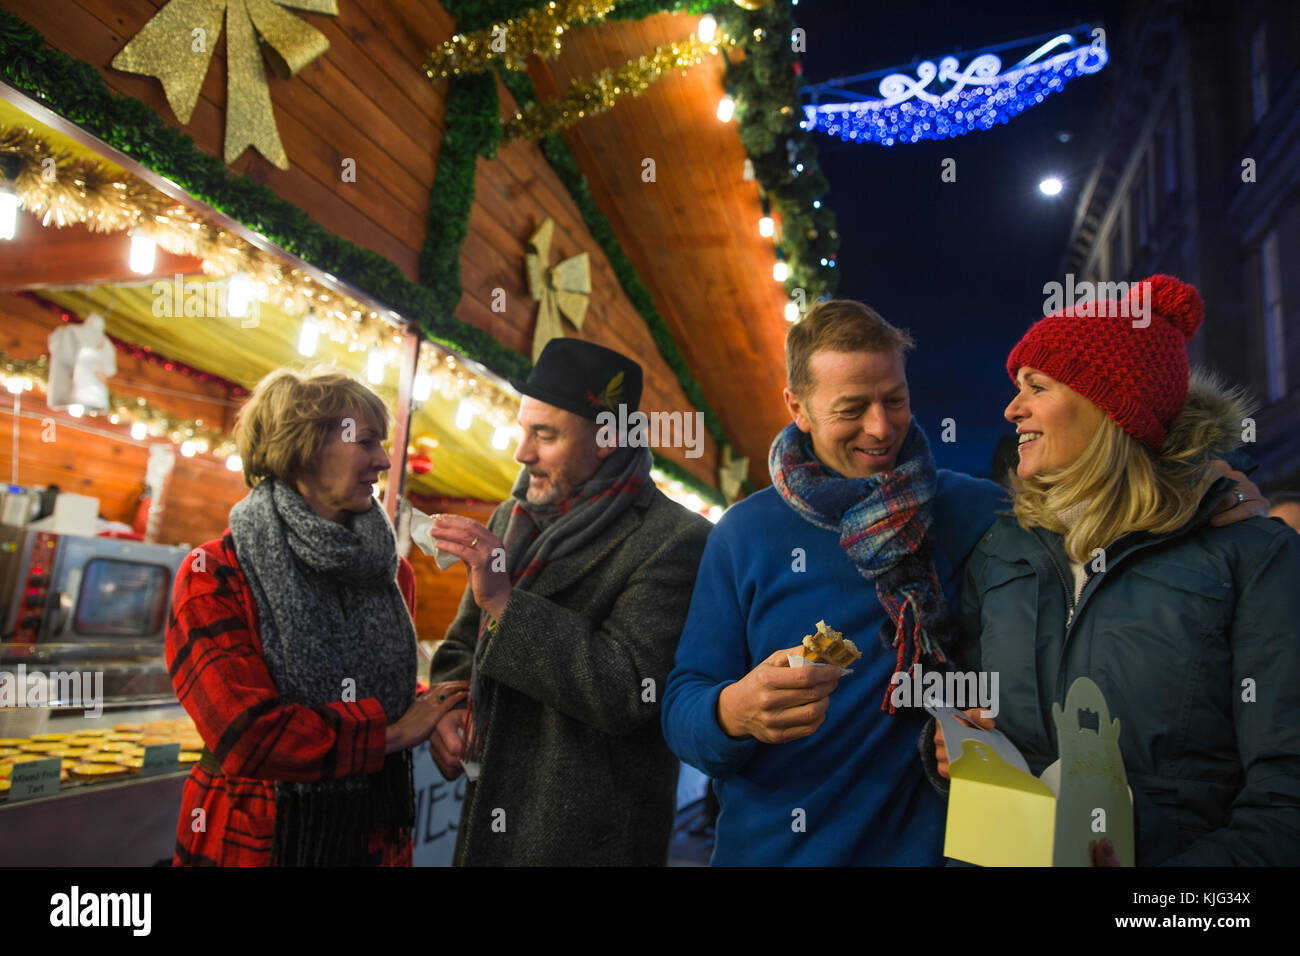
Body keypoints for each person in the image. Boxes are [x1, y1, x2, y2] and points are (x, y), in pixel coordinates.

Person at [662, 298, 1266, 866]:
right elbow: (682, 702)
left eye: (894, 400)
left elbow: (1111, 505)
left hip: (939, 850)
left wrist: (1201, 482)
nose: (879, 428)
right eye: (851, 408)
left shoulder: (979, 512)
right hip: (777, 851)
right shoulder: (745, 533)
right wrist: (730, 712)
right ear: (798, 407)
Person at [931, 275, 1300, 865]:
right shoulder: (1002, 548)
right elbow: (971, 702)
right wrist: (954, 743)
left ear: (1109, 407)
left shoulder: (1252, 555)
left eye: (1037, 387)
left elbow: (1287, 801)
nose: (1011, 408)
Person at [425, 339, 711, 866]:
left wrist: (507, 605)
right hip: (490, 818)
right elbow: (464, 641)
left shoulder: (677, 539)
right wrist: (448, 707)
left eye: (545, 434)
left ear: (606, 438)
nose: (521, 452)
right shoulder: (509, 518)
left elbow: (627, 689)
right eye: (524, 429)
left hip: (588, 839)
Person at [167, 366, 467, 866]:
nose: (384, 459)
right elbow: (245, 733)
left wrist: (437, 710)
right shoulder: (214, 574)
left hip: (376, 834)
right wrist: (393, 734)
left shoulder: (392, 575)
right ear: (302, 446)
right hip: (260, 837)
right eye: (367, 441)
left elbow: (379, 691)